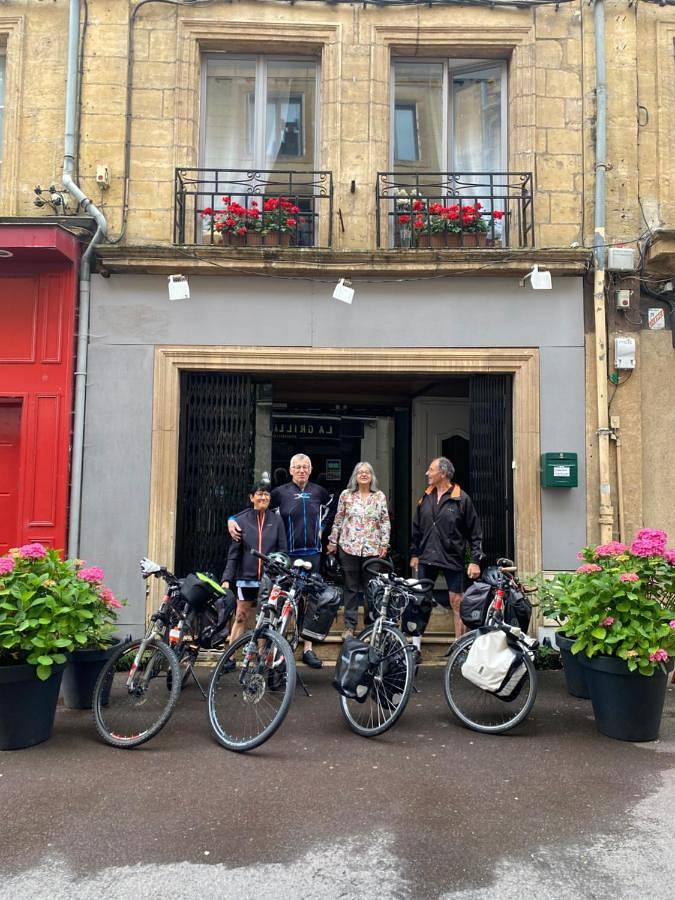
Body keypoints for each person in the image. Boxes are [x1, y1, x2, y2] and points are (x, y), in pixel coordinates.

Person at [228, 453, 331, 668]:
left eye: (305, 467)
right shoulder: (279, 493)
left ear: (310, 470)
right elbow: (257, 506)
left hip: (312, 553)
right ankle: (277, 648)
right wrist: (231, 520)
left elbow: (333, 509)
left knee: (308, 602)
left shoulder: (319, 491)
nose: (302, 470)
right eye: (297, 467)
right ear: (291, 470)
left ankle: (308, 648)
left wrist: (322, 529)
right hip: (288, 555)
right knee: (281, 603)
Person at [410, 457, 483, 654]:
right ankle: (415, 644)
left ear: (443, 473)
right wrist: (415, 553)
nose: (427, 473)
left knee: (456, 601)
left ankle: (459, 646)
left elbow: (475, 533)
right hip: (426, 556)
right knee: (421, 600)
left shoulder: (461, 499)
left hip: (452, 556)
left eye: (431, 469)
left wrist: (474, 561)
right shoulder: (425, 496)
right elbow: (416, 527)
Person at [327, 461, 390, 640]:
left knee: (372, 589)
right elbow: (339, 519)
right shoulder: (346, 495)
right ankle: (349, 626)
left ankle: (370, 627)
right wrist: (332, 541)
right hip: (348, 547)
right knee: (351, 588)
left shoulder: (379, 497)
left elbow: (384, 521)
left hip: (372, 549)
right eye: (360, 472)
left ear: (372, 477)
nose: (363, 475)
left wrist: (384, 544)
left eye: (367, 472)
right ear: (355, 476)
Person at [221, 482, 287, 651]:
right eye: (259, 494)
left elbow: (283, 550)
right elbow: (233, 554)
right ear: (252, 498)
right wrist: (227, 578)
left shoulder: (277, 520)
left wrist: (280, 574)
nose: (263, 497)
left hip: (269, 578)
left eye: (266, 494)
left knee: (264, 620)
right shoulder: (241, 521)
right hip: (246, 578)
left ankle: (261, 659)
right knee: (241, 616)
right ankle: (229, 657)